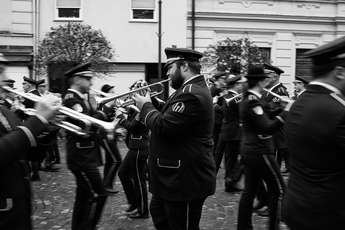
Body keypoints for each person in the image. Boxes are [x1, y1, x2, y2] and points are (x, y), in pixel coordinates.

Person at [133, 47, 216, 230]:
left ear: (184, 66)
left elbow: (165, 126)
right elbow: (172, 115)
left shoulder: (191, 93)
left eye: (170, 68)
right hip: (172, 178)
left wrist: (146, 106)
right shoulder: (188, 90)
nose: (168, 73)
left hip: (184, 179)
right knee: (159, 215)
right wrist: (152, 103)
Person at [283, 36, 345, 230]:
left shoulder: (299, 102)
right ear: (340, 72)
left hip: (297, 205)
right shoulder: (338, 110)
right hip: (328, 213)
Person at [0, 53, 59, 229]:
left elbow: (29, 152)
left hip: (18, 209)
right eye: (1, 71)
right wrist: (38, 121)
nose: (6, 78)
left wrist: (48, 127)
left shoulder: (6, 111)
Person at [237, 64, 288, 230]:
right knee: (279, 191)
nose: (267, 81)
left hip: (251, 151)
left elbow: (265, 115)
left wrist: (280, 109)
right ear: (260, 82)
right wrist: (286, 113)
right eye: (265, 78)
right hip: (260, 152)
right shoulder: (253, 101)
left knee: (249, 191)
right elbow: (266, 127)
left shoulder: (254, 99)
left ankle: (244, 227)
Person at [63, 62, 107, 230]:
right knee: (98, 194)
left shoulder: (81, 99)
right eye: (87, 79)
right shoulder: (71, 99)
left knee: (83, 196)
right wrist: (102, 112)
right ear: (76, 79)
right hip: (81, 157)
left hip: (85, 154)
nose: (91, 83)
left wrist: (97, 110)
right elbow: (85, 123)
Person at [117, 85, 150, 218]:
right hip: (134, 147)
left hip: (139, 148)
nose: (132, 95)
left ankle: (143, 210)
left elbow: (134, 127)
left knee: (139, 180)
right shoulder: (136, 107)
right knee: (123, 174)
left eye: (135, 92)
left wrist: (121, 118)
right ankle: (134, 202)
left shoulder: (144, 107)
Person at [214, 68, 246, 192]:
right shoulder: (235, 98)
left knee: (229, 159)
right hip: (235, 132)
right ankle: (232, 180)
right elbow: (241, 114)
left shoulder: (227, 96)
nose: (241, 86)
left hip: (227, 131)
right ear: (236, 85)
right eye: (240, 84)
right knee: (239, 158)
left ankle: (229, 183)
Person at [263, 63, 290, 172]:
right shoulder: (268, 90)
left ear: (275, 77)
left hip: (277, 128)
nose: (265, 78)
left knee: (278, 153)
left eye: (268, 76)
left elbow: (274, 109)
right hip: (270, 127)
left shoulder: (280, 91)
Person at [99, 84, 122, 194]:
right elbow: (102, 120)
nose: (115, 94)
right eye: (112, 92)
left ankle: (105, 184)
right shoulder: (103, 105)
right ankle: (107, 185)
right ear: (105, 94)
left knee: (110, 160)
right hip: (105, 136)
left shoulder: (112, 105)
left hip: (111, 135)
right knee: (116, 160)